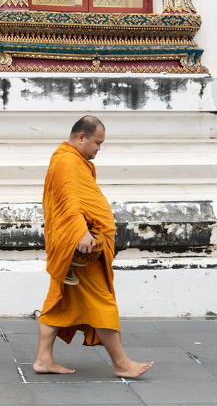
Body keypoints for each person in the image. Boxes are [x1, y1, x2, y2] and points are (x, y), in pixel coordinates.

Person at [33, 115, 153, 378]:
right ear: (81, 137)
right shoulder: (66, 161)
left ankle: (43, 359)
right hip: (82, 249)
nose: (99, 148)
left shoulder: (70, 159)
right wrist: (80, 232)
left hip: (75, 249)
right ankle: (121, 363)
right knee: (103, 303)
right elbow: (68, 200)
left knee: (57, 303)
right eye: (97, 143)